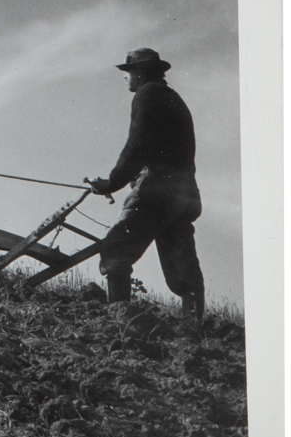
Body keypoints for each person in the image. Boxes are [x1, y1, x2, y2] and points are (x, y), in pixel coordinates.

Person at [88, 47, 205, 328]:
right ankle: (193, 327)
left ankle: (121, 319)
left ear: (138, 73)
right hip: (184, 193)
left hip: (156, 190)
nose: (126, 78)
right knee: (181, 263)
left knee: (116, 250)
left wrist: (112, 183)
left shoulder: (147, 94)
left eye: (128, 72)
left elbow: (137, 146)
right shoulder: (174, 98)